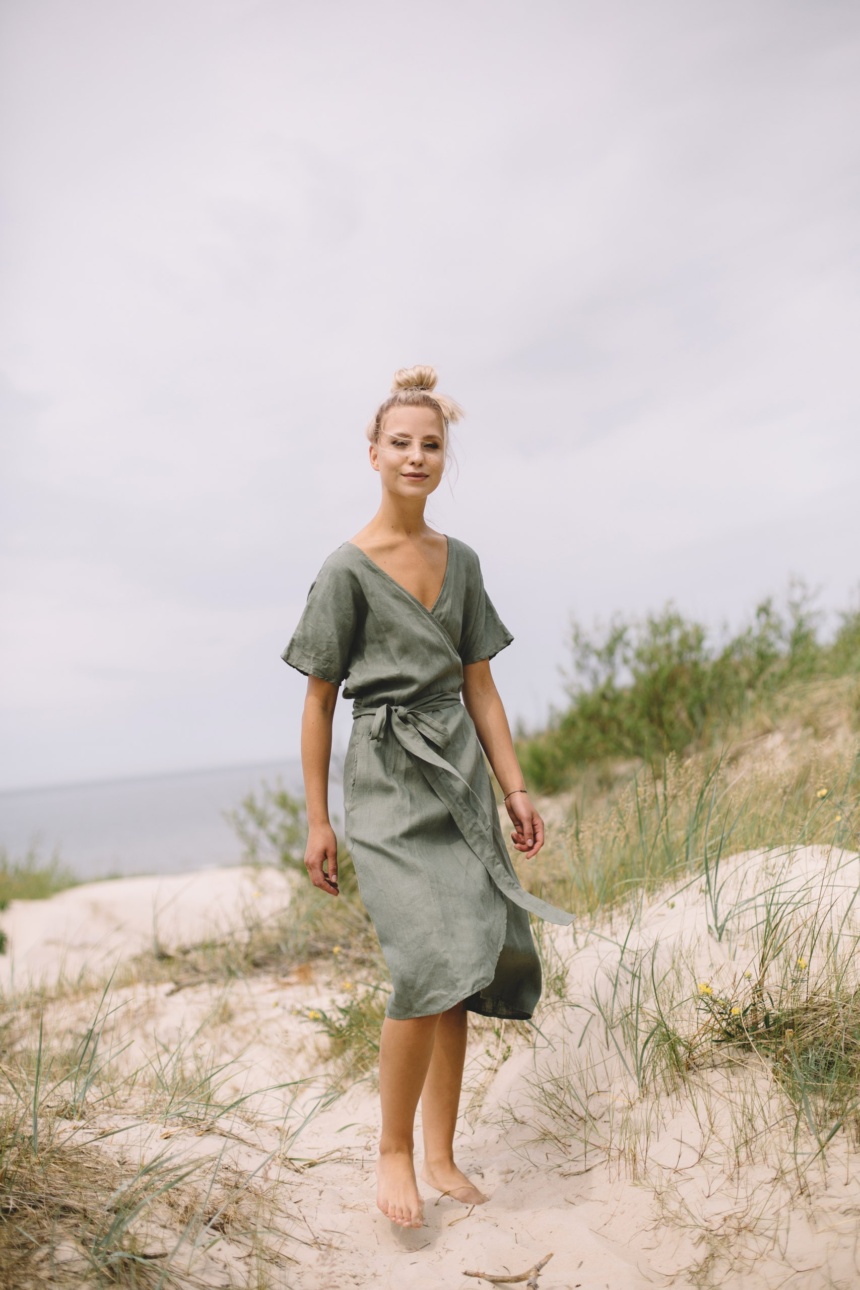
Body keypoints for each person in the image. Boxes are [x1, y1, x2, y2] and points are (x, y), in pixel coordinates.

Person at [282, 365, 572, 1230]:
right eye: (400, 443)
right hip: (384, 783)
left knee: (462, 967)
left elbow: (480, 687)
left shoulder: (463, 561)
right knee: (422, 965)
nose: (416, 455)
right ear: (373, 455)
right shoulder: (345, 569)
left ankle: (442, 1152)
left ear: (445, 457)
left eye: (431, 444)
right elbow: (318, 699)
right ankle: (393, 1152)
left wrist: (514, 786)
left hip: (459, 774)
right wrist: (318, 819)